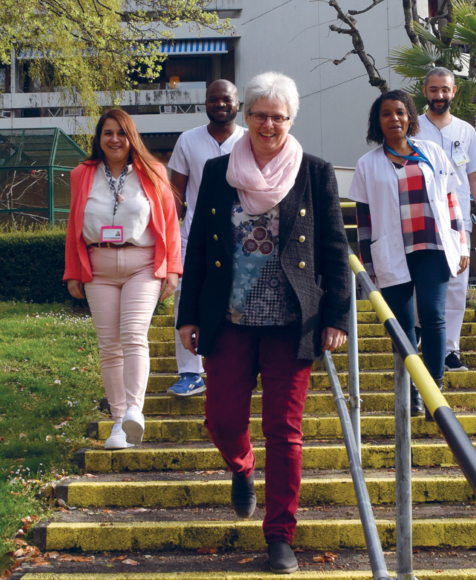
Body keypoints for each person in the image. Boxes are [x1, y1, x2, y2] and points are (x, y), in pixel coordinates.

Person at [176, 71, 352, 575]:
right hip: (228, 317)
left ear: (290, 120)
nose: (269, 124)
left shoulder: (314, 173)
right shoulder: (215, 171)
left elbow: (335, 250)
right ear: (245, 116)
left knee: (285, 430)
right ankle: (241, 466)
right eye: (260, 115)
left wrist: (336, 316)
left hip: (292, 320)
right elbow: (200, 248)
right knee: (222, 419)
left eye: (279, 116)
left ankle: (280, 535)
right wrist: (188, 314)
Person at [63, 109, 181, 450]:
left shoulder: (154, 171)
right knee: (109, 346)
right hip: (98, 266)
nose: (114, 139)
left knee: (133, 335)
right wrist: (73, 270)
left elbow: (169, 223)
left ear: (132, 138)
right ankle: (118, 424)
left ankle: (134, 411)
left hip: (141, 264)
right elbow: (73, 225)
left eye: (121, 133)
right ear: (98, 139)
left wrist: (172, 267)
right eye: (107, 133)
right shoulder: (81, 174)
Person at [348, 90, 469, 417]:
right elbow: (364, 221)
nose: (394, 119)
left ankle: (434, 388)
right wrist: (368, 267)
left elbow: (452, 200)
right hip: (391, 251)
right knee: (402, 326)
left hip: (433, 248)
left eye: (400, 112)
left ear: (410, 117)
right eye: (386, 114)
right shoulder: (367, 164)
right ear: (378, 122)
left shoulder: (431, 153)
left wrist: (462, 244)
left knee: (432, 314)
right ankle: (413, 387)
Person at [165, 80, 247, 397]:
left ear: (238, 103)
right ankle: (190, 373)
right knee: (187, 299)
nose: (220, 104)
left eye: (226, 99)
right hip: (195, 236)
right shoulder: (188, 140)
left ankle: (238, 368)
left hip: (242, 236)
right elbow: (176, 193)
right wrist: (169, 234)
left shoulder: (250, 139)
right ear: (205, 103)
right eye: (213, 99)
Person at [415, 67, 476, 372]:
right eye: (434, 90)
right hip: (420, 216)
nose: (439, 96)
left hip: (458, 219)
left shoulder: (466, 131)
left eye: (444, 90)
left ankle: (451, 349)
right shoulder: (413, 128)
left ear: (454, 91)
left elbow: (475, 177)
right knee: (420, 278)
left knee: (457, 284)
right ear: (425, 92)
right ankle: (422, 332)